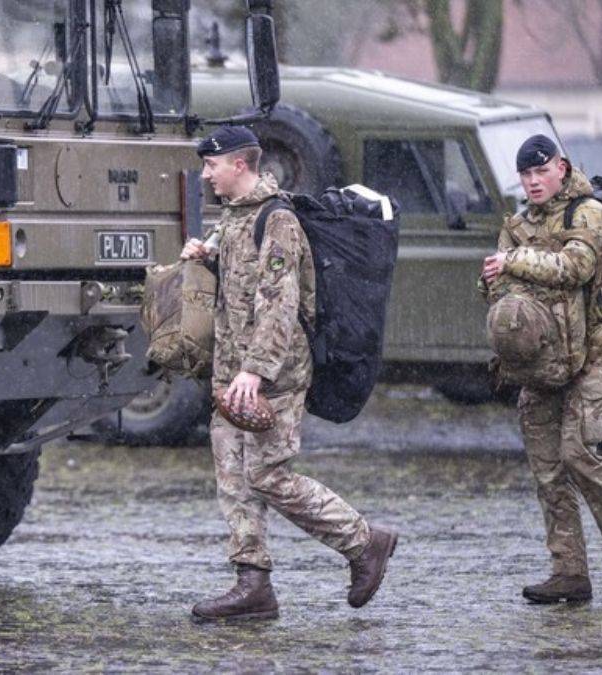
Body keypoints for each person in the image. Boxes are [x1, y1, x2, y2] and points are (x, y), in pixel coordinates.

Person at [182, 126, 397, 621]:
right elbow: (239, 291)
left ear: (240, 165)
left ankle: (365, 542)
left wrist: (255, 372)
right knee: (234, 476)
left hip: (272, 375)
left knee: (267, 474)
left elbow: (280, 304)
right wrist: (208, 259)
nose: (205, 175)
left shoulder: (277, 221)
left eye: (212, 165)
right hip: (231, 374)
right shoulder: (235, 218)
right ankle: (251, 584)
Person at [482, 135, 602, 604]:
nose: (534, 182)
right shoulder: (516, 225)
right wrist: (495, 285)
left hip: (595, 349)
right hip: (541, 359)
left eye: (541, 171)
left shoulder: (588, 214)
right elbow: (498, 290)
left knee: (578, 453)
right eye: (526, 174)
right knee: (547, 469)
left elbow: (576, 266)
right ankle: (569, 571)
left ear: (562, 167)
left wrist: (513, 261)